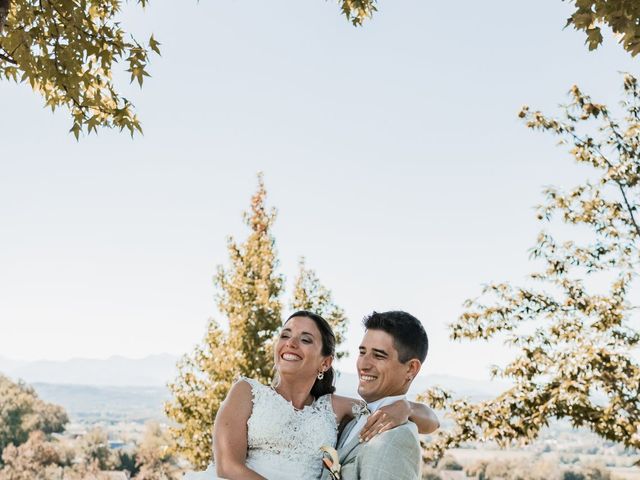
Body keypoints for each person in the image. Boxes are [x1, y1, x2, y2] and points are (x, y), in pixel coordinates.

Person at [185, 310, 438, 480]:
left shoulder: (337, 408)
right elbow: (228, 466)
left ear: (325, 363)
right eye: (285, 335)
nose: (291, 343)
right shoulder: (247, 392)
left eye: (305, 339)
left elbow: (429, 421)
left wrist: (408, 408)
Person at [320, 310, 433, 480]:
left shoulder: (397, 438)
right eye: (362, 352)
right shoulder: (354, 418)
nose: (363, 364)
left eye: (379, 356)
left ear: (410, 369)